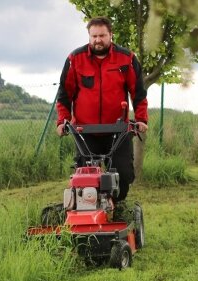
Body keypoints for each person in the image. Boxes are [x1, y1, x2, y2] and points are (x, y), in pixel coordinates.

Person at [56, 16, 148, 202]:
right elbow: (65, 93)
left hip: (118, 131)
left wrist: (141, 119)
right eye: (94, 36)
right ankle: (89, 211)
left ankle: (116, 206)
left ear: (110, 35)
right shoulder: (75, 59)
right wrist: (62, 121)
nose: (98, 40)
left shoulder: (126, 59)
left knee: (123, 175)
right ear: (89, 36)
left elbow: (138, 92)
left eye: (102, 35)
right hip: (85, 131)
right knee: (85, 178)